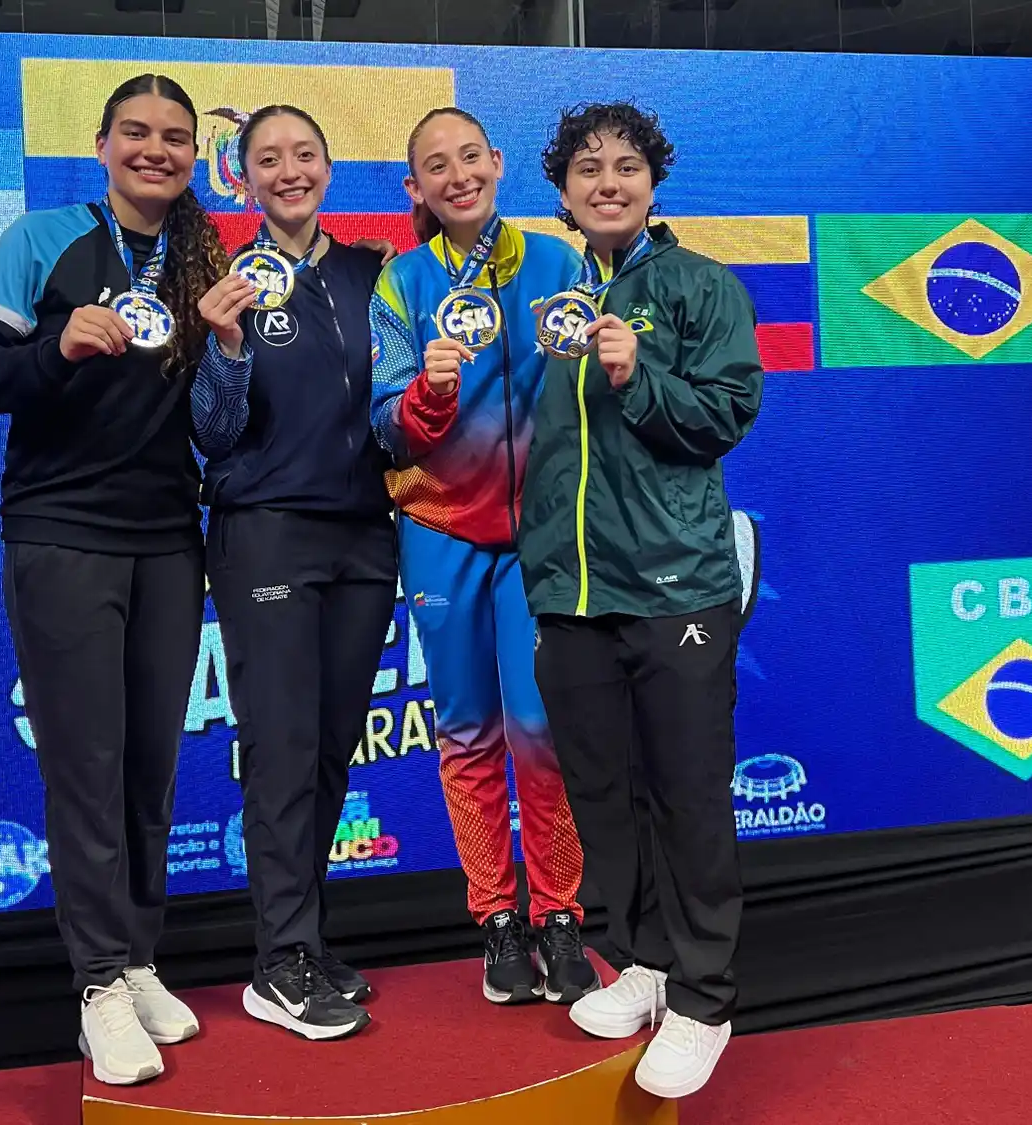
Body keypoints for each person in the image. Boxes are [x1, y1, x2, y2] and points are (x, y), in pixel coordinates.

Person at [0, 73, 228, 1088]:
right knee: (86, 767)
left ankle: (139, 956)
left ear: (193, 157)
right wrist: (56, 349)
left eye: (176, 137)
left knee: (151, 763)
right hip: (63, 534)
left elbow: (219, 413)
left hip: (169, 538)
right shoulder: (45, 239)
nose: (157, 149)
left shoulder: (205, 257)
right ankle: (98, 982)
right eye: (137, 133)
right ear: (102, 143)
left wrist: (232, 350)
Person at [519, 101, 764, 1099]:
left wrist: (636, 375)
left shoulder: (700, 285)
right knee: (603, 795)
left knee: (688, 793)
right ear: (563, 190)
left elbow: (728, 414)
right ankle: (646, 960)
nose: (607, 182)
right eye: (587, 168)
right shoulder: (551, 296)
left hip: (677, 586)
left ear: (653, 182)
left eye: (625, 165)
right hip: (572, 591)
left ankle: (706, 997)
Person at [368, 106, 598, 1007]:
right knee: (466, 732)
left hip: (539, 537)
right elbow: (386, 429)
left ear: (498, 163)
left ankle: (560, 913)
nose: (458, 175)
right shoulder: (402, 282)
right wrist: (427, 392)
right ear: (415, 187)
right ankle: (497, 918)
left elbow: (591, 399)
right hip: (440, 531)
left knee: (541, 731)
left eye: (471, 157)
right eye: (438, 165)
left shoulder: (559, 264)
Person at [191, 105, 397, 1042]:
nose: (289, 171)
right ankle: (278, 962)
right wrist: (227, 348)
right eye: (267, 159)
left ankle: (305, 941)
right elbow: (212, 432)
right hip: (267, 531)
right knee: (279, 748)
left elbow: (397, 400)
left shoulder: (369, 273)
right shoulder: (226, 282)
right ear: (243, 178)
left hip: (363, 536)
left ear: (328, 167)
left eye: (304, 154)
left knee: (327, 750)